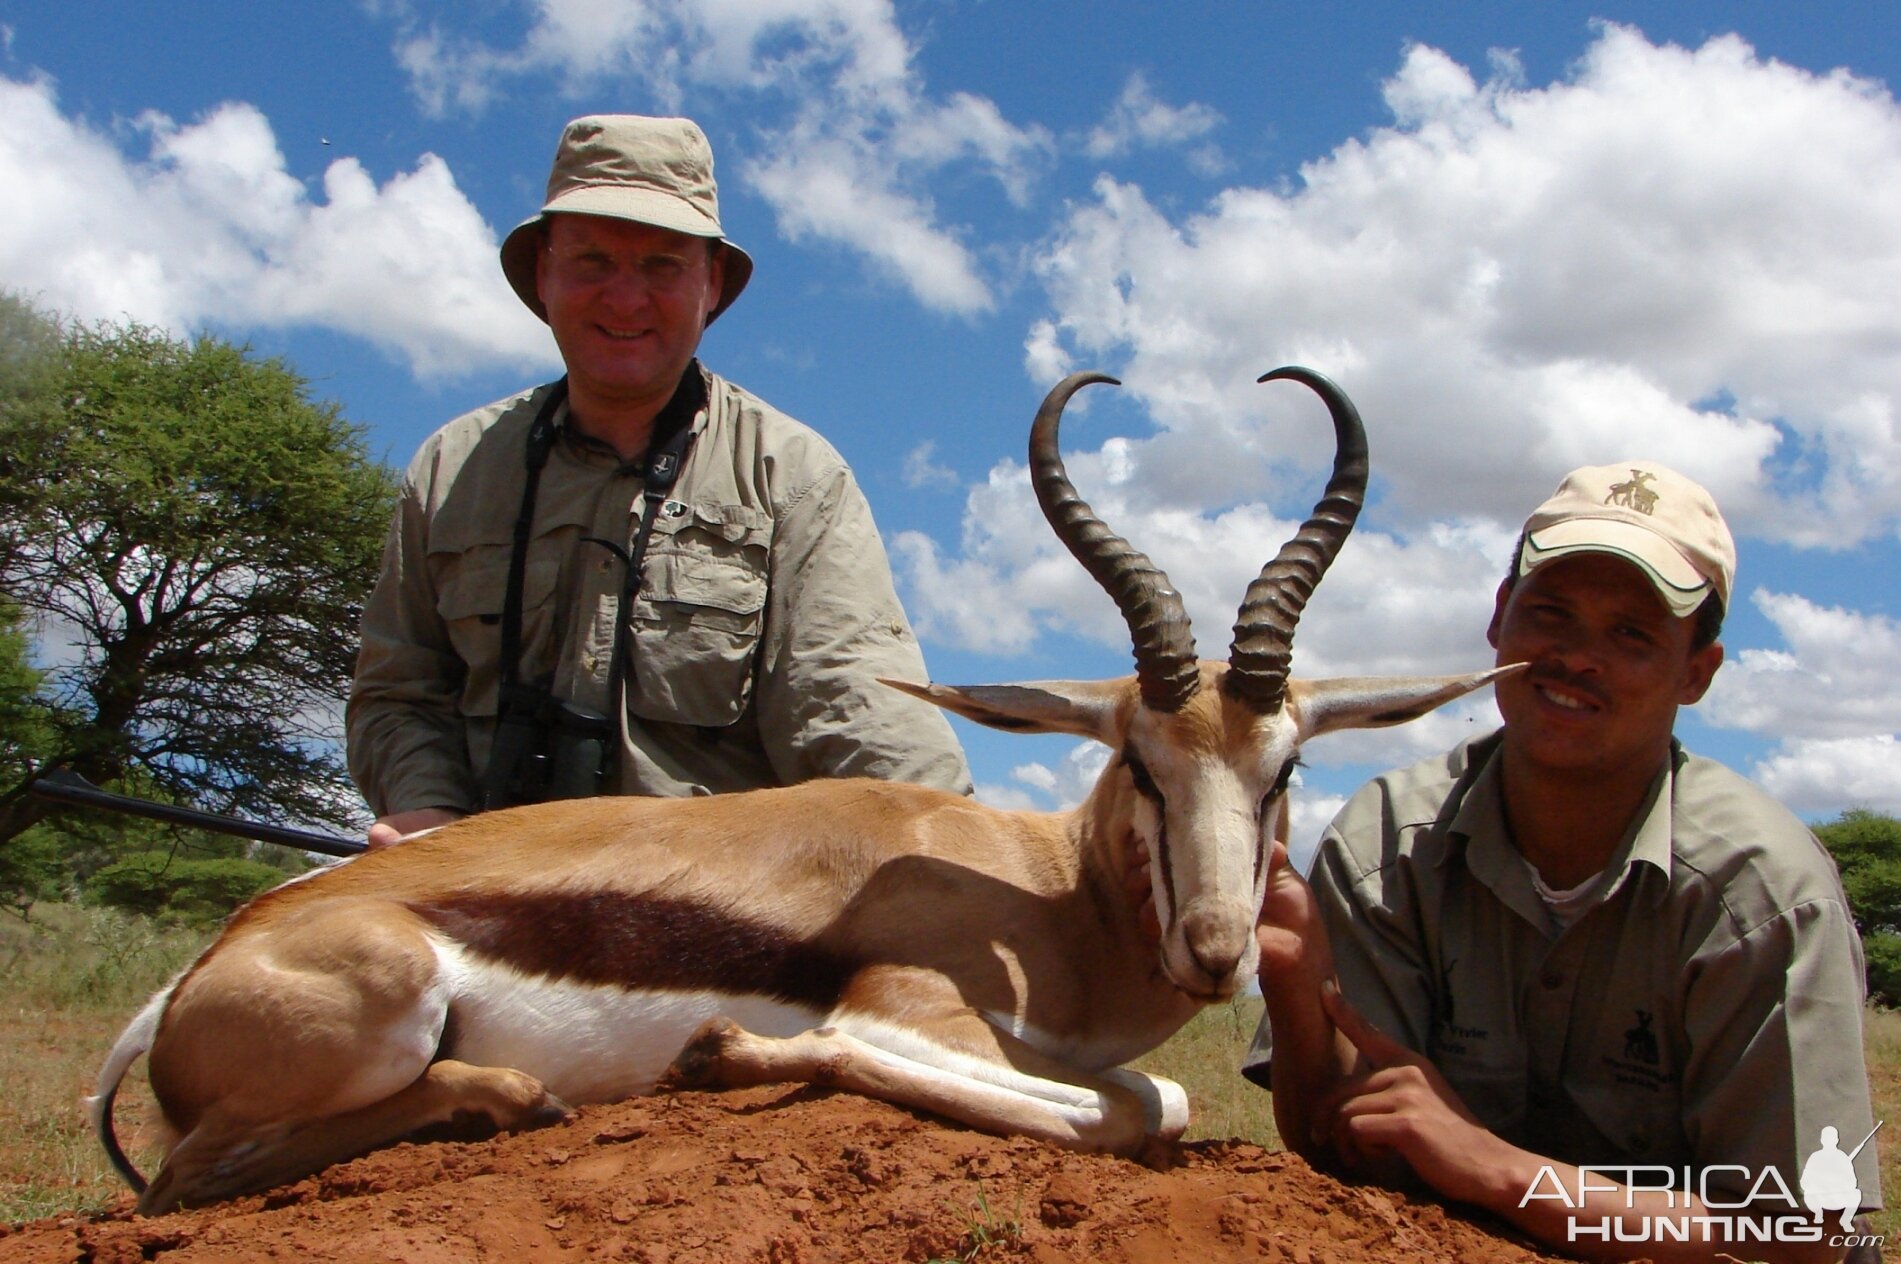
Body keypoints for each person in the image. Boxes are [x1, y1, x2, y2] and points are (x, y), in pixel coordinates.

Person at [1245, 462, 1882, 1263]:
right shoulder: (1387, 841)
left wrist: (1504, 1173)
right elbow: (1344, 1146)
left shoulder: (1761, 894)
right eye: (1550, 613)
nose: (1577, 657)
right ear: (1499, 618)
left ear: (1697, 671)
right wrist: (1297, 986)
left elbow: (1803, 1232)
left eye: (1631, 635)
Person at [348, 115, 971, 846]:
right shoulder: (450, 466)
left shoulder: (795, 476)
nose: (623, 299)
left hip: (705, 915)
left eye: (662, 266)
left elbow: (855, 702)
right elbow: (398, 693)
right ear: (543, 273)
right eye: (591, 262)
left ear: (710, 285)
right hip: (482, 885)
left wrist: (958, 854)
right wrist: (429, 812)